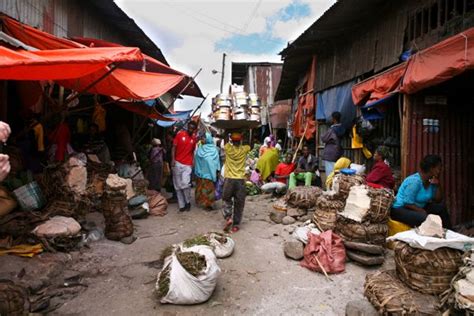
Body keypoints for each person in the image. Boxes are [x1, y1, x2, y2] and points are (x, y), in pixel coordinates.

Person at [391, 155, 451, 228]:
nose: (440, 170)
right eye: (438, 168)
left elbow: (438, 200)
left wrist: (438, 185)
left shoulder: (431, 181)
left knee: (441, 208)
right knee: (425, 218)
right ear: (431, 169)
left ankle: (449, 231)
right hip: (400, 208)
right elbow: (407, 203)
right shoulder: (415, 181)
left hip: (417, 207)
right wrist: (422, 211)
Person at [222, 132, 250, 233]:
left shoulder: (228, 148)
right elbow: (248, 143)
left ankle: (228, 217)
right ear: (240, 140)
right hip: (240, 180)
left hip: (229, 179)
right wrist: (245, 130)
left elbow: (225, 138)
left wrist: (228, 131)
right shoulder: (244, 149)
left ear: (231, 140)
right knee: (239, 203)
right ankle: (236, 225)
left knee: (226, 200)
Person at [171, 121, 197, 212]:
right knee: (177, 186)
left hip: (187, 164)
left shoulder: (194, 139)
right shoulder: (179, 135)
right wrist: (173, 159)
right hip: (177, 163)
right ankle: (182, 205)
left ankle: (188, 202)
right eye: (190, 128)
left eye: (192, 129)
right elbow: (174, 147)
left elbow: (193, 151)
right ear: (187, 127)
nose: (191, 130)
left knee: (185, 184)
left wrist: (193, 161)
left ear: (194, 130)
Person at [194, 132, 220, 210]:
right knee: (202, 189)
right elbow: (197, 159)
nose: (202, 140)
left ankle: (209, 204)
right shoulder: (200, 148)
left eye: (204, 138)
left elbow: (217, 161)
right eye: (202, 138)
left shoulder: (214, 150)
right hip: (201, 173)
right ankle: (203, 202)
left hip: (210, 173)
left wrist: (217, 169)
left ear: (208, 139)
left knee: (209, 189)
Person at [321, 111, 345, 177]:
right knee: (336, 173)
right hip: (338, 152)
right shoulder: (342, 128)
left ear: (334, 119)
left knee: (330, 174)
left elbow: (323, 138)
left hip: (330, 154)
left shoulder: (332, 130)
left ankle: (329, 187)